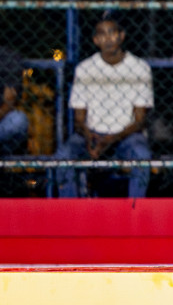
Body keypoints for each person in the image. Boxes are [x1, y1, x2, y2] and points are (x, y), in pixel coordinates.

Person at [53, 16, 153, 198]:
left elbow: (139, 120)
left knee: (142, 155)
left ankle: (136, 212)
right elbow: (79, 118)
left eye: (112, 32)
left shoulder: (139, 68)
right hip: (91, 134)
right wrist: (91, 137)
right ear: (95, 40)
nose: (108, 39)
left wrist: (111, 139)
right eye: (102, 34)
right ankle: (70, 214)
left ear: (121, 36)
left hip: (126, 136)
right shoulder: (85, 68)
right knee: (63, 155)